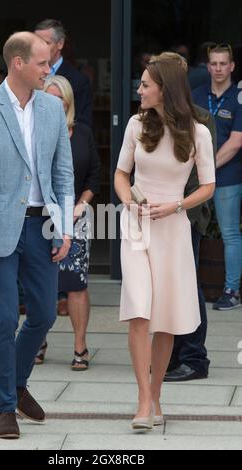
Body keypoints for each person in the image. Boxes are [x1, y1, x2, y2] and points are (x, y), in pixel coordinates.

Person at [0, 32, 74, 439]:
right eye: (43, 63)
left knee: (43, 313)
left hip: (42, 227)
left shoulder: (52, 108)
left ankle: (16, 382)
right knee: (5, 319)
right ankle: (5, 408)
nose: (49, 70)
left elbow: (63, 173)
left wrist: (64, 227)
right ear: (18, 63)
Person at [114, 52, 215, 431]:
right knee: (139, 310)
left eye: (145, 85)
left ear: (165, 89)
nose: (138, 90)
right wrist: (128, 201)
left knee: (167, 318)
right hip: (136, 226)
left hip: (173, 229)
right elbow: (121, 174)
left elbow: (208, 186)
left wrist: (176, 205)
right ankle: (143, 399)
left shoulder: (199, 131)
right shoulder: (136, 125)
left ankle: (156, 394)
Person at [151, 54, 217, 382]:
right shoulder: (150, 118)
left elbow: (201, 176)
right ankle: (173, 354)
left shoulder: (200, 119)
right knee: (165, 286)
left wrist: (178, 207)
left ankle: (195, 357)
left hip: (186, 215)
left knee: (188, 285)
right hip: (158, 216)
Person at [35, 75, 99, 368]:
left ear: (68, 102)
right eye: (48, 96)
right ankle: (38, 342)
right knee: (40, 283)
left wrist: (80, 205)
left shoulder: (83, 133)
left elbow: (94, 175)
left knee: (75, 284)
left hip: (76, 216)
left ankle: (80, 349)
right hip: (40, 216)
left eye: (59, 98)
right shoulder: (33, 130)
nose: (53, 102)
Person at [192, 43, 242, 310]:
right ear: (208, 66)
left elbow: (236, 142)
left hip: (228, 178)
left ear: (232, 66)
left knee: (230, 233)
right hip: (196, 179)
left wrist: (206, 167)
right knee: (190, 230)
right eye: (214, 63)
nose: (219, 68)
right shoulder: (197, 95)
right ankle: (189, 288)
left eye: (224, 63)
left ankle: (231, 290)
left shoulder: (239, 97)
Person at [34, 19, 92, 128]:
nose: (39, 48)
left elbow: (83, 125)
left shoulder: (79, 80)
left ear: (60, 44)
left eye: (46, 43)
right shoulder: (27, 76)